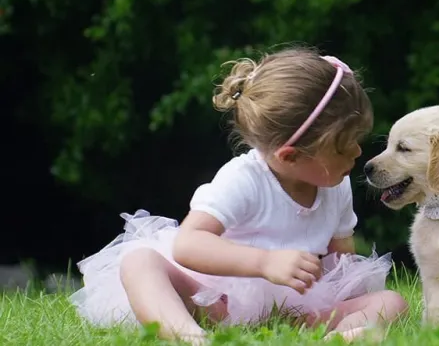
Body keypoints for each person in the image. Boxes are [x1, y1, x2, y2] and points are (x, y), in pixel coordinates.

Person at [69, 47, 409, 345]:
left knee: (392, 302)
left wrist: (347, 293)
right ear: (290, 156)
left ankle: (334, 339)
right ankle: (189, 338)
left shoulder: (336, 182)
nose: (358, 151)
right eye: (343, 145)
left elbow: (340, 256)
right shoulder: (244, 180)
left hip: (296, 309)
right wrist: (265, 262)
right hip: (218, 301)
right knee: (139, 262)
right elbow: (188, 244)